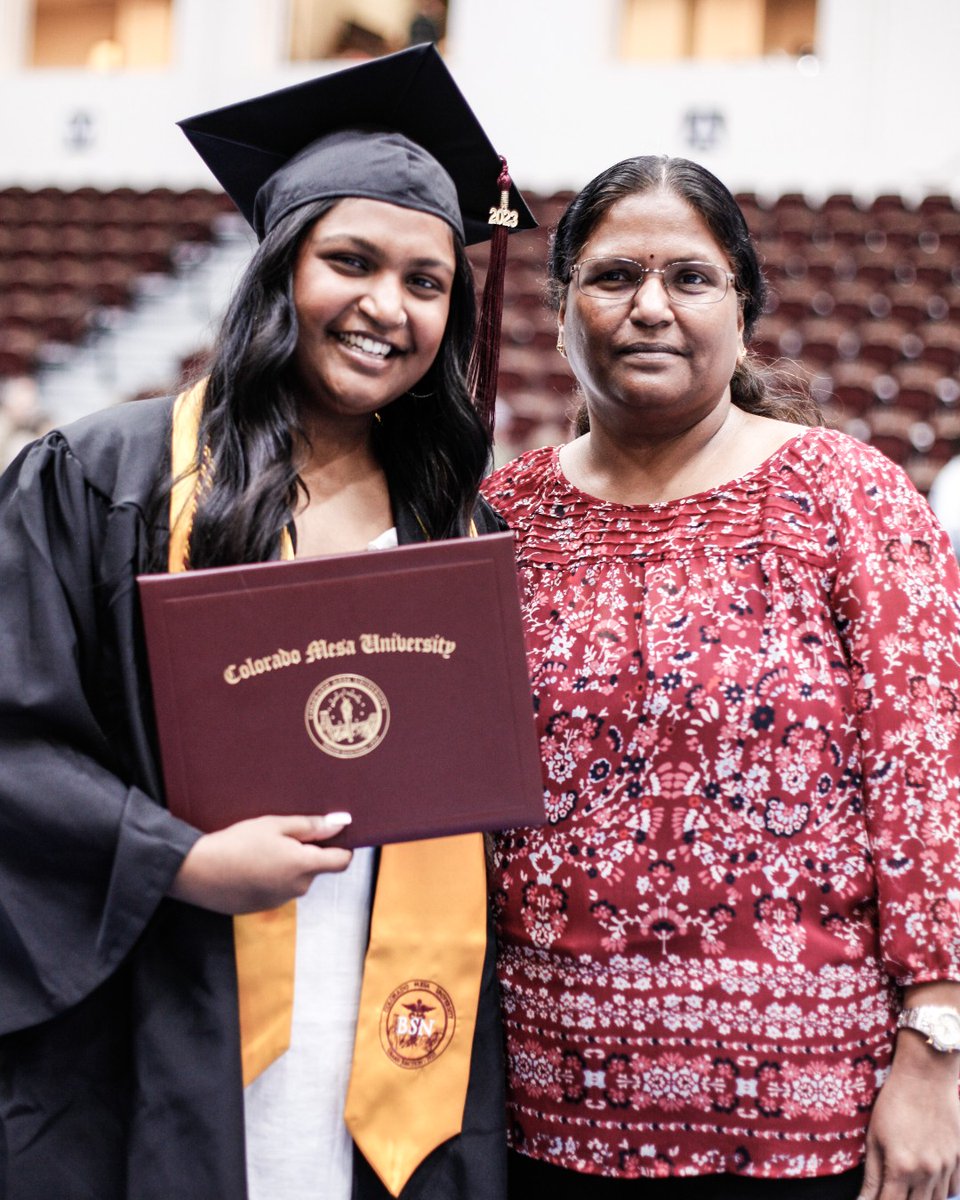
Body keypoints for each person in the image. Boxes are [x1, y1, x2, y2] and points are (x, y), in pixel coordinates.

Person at [0, 45, 534, 1200]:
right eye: (350, 261)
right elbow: (12, 742)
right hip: (164, 1020)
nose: (386, 308)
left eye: (427, 282)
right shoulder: (107, 481)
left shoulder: (459, 529)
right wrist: (176, 860)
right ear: (278, 267)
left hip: (398, 1033)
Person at [481, 155, 960, 1199]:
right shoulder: (500, 522)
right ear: (562, 312)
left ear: (743, 312)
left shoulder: (848, 495)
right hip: (546, 1103)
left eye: (690, 278)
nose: (650, 305)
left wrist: (937, 1051)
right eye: (613, 277)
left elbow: (931, 778)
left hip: (809, 1107)